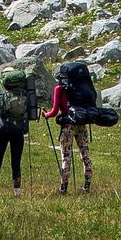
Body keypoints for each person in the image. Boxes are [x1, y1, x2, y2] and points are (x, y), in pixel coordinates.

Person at [45, 65, 92, 194]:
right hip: (81, 123)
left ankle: (63, 187)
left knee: (66, 156)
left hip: (67, 126)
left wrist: (46, 114)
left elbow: (54, 111)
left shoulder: (59, 88)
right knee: (85, 155)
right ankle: (87, 185)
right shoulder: (81, 86)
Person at [0, 66, 32, 195]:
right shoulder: (24, 93)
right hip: (18, 130)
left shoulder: (0, 92)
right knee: (16, 161)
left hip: (3, 129)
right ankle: (17, 191)